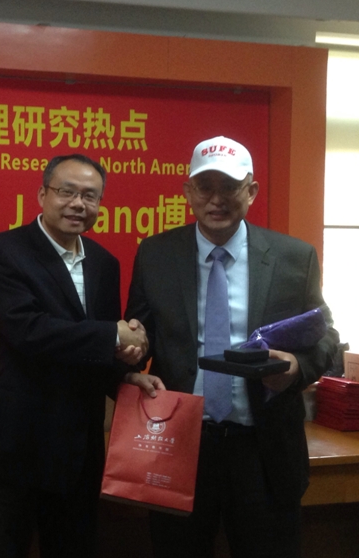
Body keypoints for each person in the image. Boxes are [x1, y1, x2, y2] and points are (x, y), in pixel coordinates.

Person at [125, 136, 340, 558]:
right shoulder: (156, 254)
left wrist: (297, 367)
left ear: (251, 191)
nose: (216, 199)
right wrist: (129, 352)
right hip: (179, 446)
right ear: (188, 192)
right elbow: (140, 334)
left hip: (264, 450)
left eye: (230, 187)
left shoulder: (294, 257)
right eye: (205, 187)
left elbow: (325, 336)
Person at [0, 153, 153, 558]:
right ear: (43, 195)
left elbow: (97, 351)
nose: (78, 204)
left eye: (90, 196)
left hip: (79, 446)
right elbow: (28, 331)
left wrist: (125, 373)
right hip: (18, 441)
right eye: (67, 192)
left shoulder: (104, 263)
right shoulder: (2, 252)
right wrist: (113, 334)